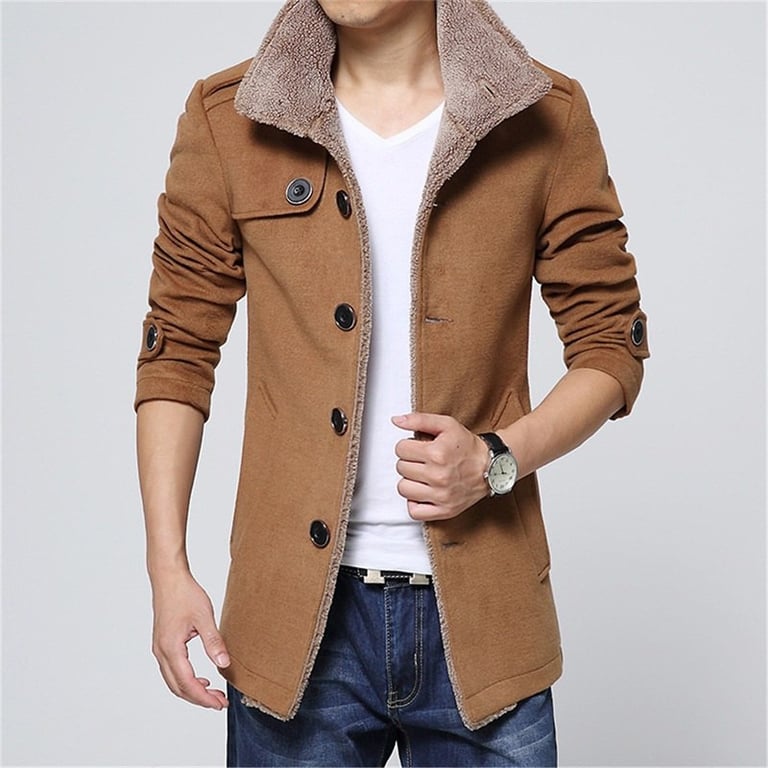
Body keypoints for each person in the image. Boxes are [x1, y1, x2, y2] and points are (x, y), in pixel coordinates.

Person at [135, 0, 649, 764]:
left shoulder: (544, 117)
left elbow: (610, 344)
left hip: (486, 622)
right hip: (294, 625)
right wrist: (167, 569)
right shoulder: (230, 120)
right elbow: (177, 350)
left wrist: (496, 459)